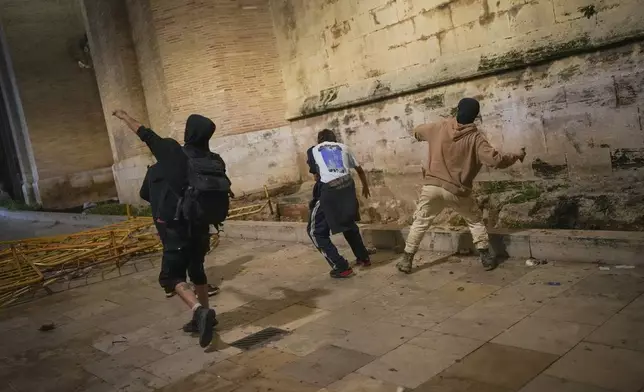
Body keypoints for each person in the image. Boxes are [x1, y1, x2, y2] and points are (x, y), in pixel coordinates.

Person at [114, 110, 218, 348]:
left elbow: (145, 133)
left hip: (176, 227)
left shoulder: (172, 152)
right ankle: (205, 317)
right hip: (201, 226)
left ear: (188, 132)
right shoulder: (212, 159)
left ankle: (199, 311)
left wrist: (124, 116)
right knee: (197, 270)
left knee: (170, 277)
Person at [396, 98, 526, 273]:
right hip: (457, 190)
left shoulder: (439, 127)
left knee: (420, 222)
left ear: (457, 110)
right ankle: (486, 257)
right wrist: (516, 155)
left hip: (432, 186)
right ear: (476, 116)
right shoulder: (476, 138)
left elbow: (417, 132)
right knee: (475, 221)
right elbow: (496, 160)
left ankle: (406, 259)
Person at [306, 129, 371, 278]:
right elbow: (359, 170)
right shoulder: (344, 147)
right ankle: (363, 257)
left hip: (330, 189)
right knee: (347, 222)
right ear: (334, 139)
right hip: (348, 186)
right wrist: (366, 187)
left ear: (319, 140)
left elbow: (316, 175)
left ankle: (341, 266)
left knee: (315, 231)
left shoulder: (313, 150)